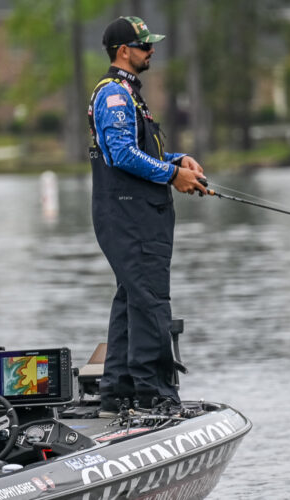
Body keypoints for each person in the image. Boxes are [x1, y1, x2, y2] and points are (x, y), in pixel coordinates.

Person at [88, 16, 210, 413]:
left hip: (137, 215)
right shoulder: (114, 96)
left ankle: (118, 391)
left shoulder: (128, 94)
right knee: (150, 303)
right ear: (123, 51)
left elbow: (137, 152)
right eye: (144, 46)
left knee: (132, 299)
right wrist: (174, 176)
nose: (151, 50)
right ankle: (152, 394)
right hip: (130, 217)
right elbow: (120, 156)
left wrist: (178, 161)